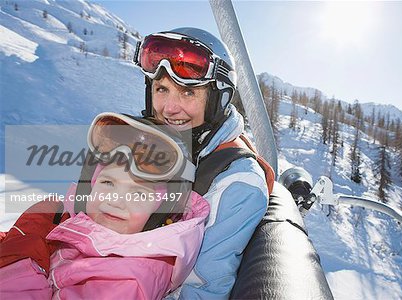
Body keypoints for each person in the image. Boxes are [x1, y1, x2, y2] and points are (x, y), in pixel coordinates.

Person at [0, 112, 210, 299]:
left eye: (138, 193)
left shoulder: (127, 280)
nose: (115, 200)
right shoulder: (85, 231)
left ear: (162, 213)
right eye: (108, 182)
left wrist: (20, 259)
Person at [133, 27, 272, 298]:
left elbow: (201, 291)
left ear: (217, 100)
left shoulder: (237, 183)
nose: (169, 108)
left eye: (187, 93)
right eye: (161, 89)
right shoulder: (160, 144)